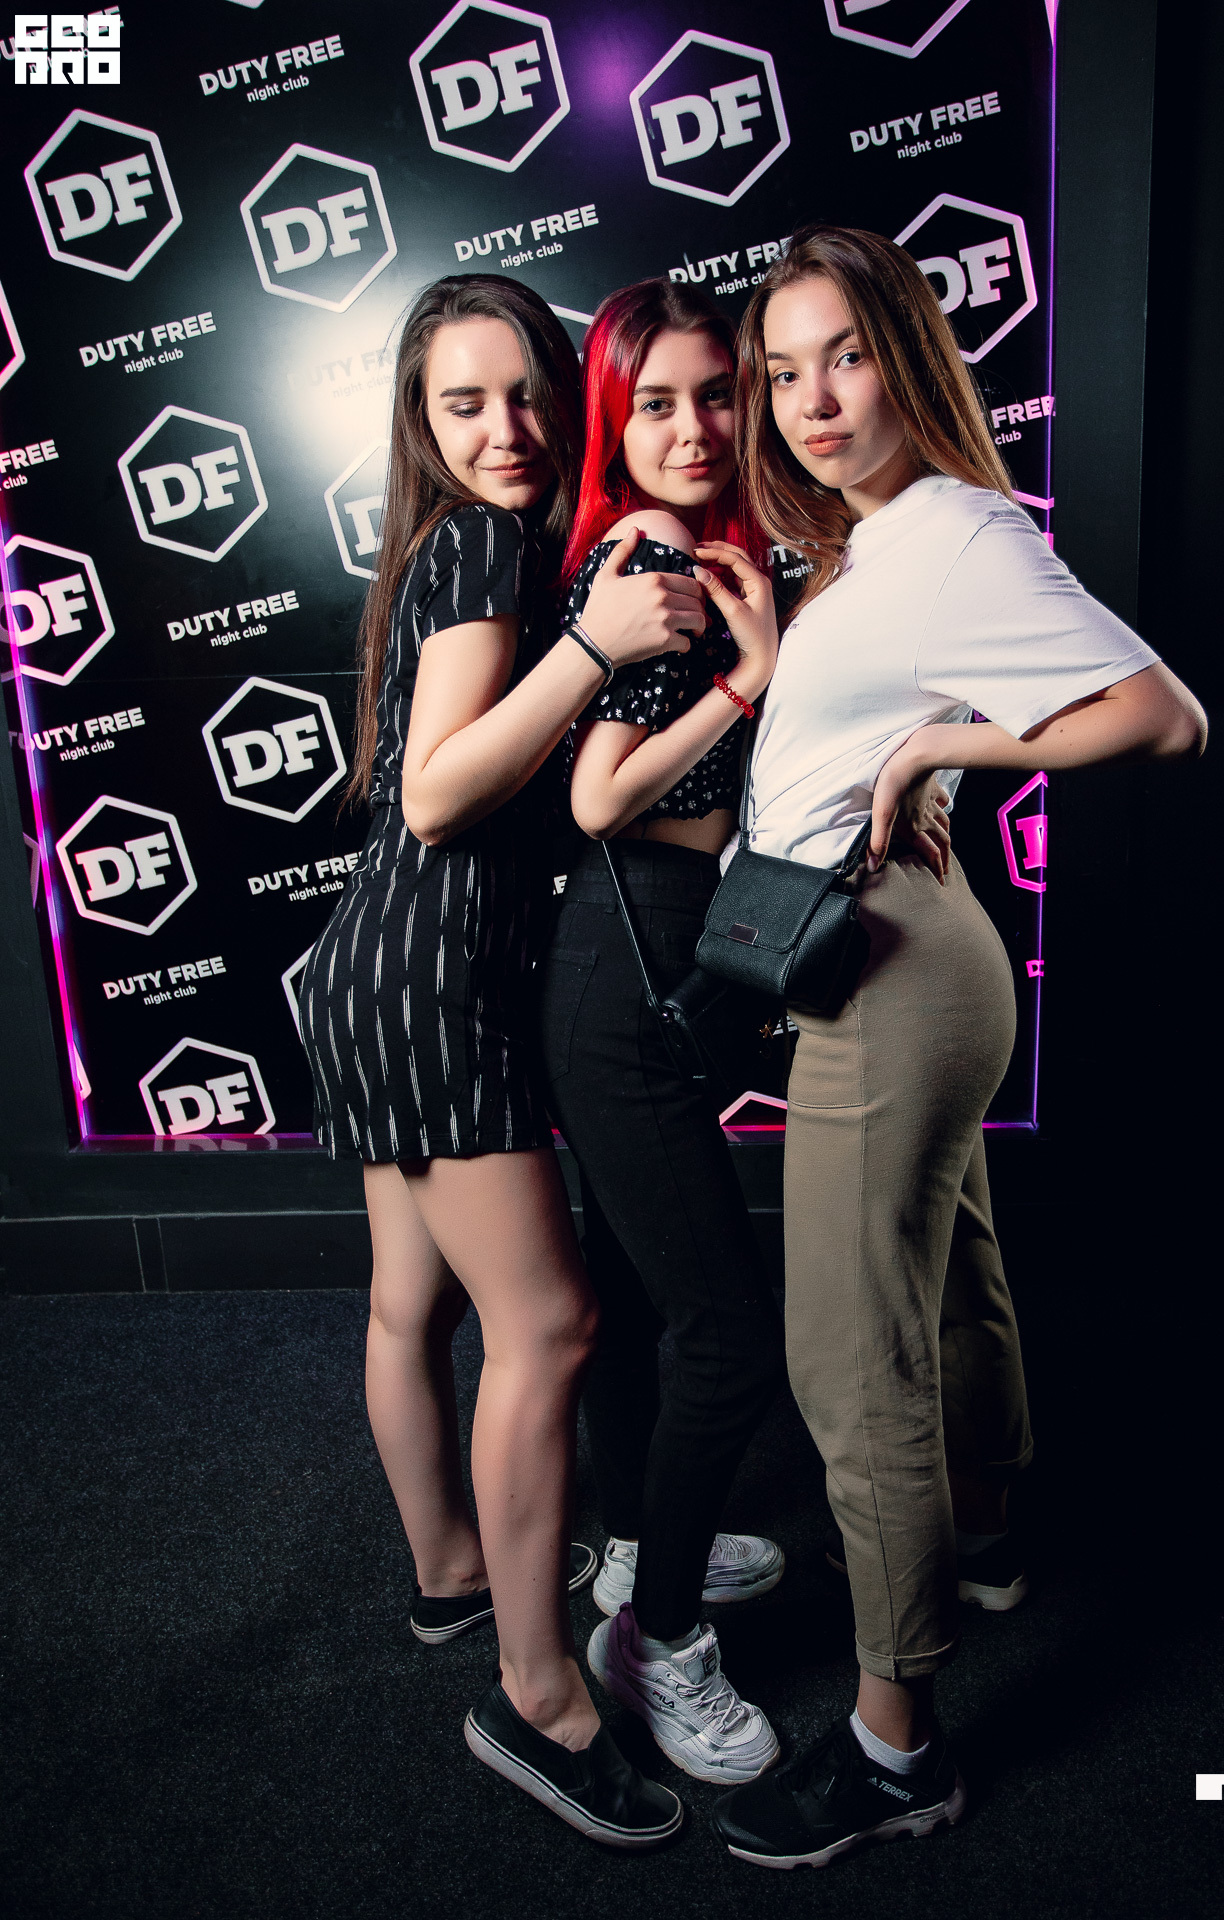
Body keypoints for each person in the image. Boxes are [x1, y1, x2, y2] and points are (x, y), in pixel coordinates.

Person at [706, 226, 1206, 1869]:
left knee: (853, 1358)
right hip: (911, 954)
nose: (811, 401)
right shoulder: (876, 543)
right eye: (784, 372)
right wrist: (859, 718)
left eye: (845, 356)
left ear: (910, 357)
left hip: (893, 979)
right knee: (953, 1273)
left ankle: (894, 1744)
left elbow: (1164, 716)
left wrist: (942, 744)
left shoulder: (958, 534)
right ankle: (982, 1534)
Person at [300, 274, 706, 1849]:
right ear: (421, 421)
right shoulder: (483, 547)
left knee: (411, 1304)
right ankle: (539, 1699)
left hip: (369, 973)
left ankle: (453, 1576)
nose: (507, 429)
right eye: (463, 404)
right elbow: (434, 794)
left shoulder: (448, 547)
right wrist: (596, 645)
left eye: (528, 390)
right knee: (551, 1325)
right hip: (433, 981)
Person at [537, 280, 788, 1785]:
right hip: (621, 974)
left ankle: (641, 1547)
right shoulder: (651, 559)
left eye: (716, 394)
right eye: (656, 405)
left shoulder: (713, 547)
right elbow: (600, 795)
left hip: (644, 965)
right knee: (728, 1335)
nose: (692, 428)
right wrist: (751, 683)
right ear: (613, 427)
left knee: (640, 1299)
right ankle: (660, 1639)